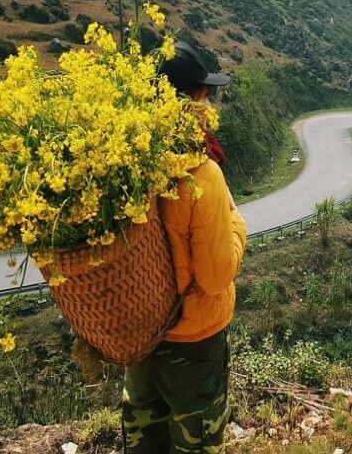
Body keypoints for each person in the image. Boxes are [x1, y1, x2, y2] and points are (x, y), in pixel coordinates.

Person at [121, 42, 246, 454]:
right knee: (195, 442)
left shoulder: (126, 156)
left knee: (144, 439)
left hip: (141, 333)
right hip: (193, 341)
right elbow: (214, 276)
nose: (211, 102)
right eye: (206, 93)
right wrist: (238, 224)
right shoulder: (202, 173)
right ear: (190, 100)